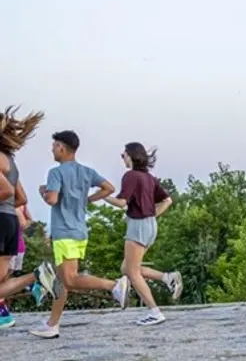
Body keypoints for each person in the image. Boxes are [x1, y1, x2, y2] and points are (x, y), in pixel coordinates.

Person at [28, 130, 131, 339]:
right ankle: (52, 324)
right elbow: (108, 188)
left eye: (54, 146)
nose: (52, 150)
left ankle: (114, 286)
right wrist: (89, 200)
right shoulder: (86, 171)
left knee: (70, 279)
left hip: (64, 232)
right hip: (79, 231)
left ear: (62, 148)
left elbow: (52, 200)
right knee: (60, 279)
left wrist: (44, 192)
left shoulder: (56, 173)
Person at [103, 142, 182, 326]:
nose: (122, 158)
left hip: (137, 226)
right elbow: (168, 200)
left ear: (131, 155)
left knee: (131, 271)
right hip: (150, 226)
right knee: (127, 268)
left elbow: (122, 203)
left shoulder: (130, 176)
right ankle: (167, 278)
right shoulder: (149, 178)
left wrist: (103, 196)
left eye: (123, 155)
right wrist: (153, 214)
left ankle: (155, 312)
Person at [0, 107, 62, 329]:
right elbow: (21, 197)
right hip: (8, 221)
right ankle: (36, 275)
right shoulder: (9, 160)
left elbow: (7, 192)